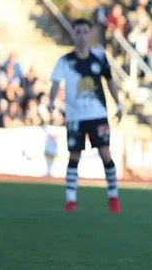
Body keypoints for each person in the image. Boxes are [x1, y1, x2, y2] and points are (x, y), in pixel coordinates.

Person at [48, 18, 125, 213]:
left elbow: (110, 81)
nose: (82, 36)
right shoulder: (65, 61)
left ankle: (113, 197)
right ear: (73, 34)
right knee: (74, 156)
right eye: (78, 32)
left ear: (90, 34)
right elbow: (55, 83)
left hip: (97, 114)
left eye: (85, 32)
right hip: (75, 116)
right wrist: (51, 101)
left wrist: (119, 104)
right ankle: (70, 200)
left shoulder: (99, 57)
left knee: (105, 153)